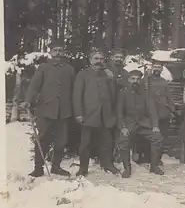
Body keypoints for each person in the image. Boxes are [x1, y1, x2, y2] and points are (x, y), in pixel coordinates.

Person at [22, 41, 75, 178]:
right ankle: (38, 168)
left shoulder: (69, 69)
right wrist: (28, 100)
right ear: (50, 52)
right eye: (55, 50)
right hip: (46, 110)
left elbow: (75, 90)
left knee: (61, 141)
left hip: (64, 111)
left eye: (61, 50)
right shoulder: (43, 68)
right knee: (43, 139)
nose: (58, 53)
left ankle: (56, 167)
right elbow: (34, 86)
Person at [72, 48, 119, 177]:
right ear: (90, 60)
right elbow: (77, 95)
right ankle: (83, 168)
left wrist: (111, 79)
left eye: (101, 59)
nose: (99, 61)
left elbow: (113, 95)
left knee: (107, 142)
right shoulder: (83, 74)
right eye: (96, 59)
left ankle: (107, 164)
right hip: (89, 115)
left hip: (105, 115)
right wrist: (78, 113)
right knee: (85, 143)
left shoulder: (108, 74)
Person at [116, 70, 164, 178]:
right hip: (129, 124)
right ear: (128, 80)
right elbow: (119, 112)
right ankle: (127, 168)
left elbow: (152, 111)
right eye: (133, 79)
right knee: (123, 141)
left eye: (138, 79)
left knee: (157, 138)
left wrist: (155, 126)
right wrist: (123, 127)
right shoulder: (123, 93)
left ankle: (154, 166)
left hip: (144, 124)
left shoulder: (146, 93)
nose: (135, 81)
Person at [144, 60, 176, 165]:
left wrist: (172, 110)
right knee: (151, 136)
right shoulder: (146, 81)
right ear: (152, 68)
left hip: (163, 113)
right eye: (155, 66)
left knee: (162, 137)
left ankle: (157, 158)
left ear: (162, 69)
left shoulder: (164, 82)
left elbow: (169, 97)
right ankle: (148, 157)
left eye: (159, 67)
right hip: (149, 114)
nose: (157, 68)